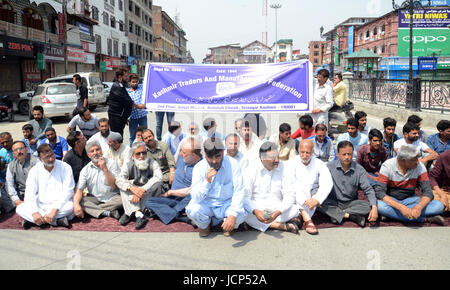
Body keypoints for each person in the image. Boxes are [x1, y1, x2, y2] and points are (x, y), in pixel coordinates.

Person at [185, 138, 248, 237]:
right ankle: (205, 225)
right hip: (207, 204)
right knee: (192, 210)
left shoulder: (233, 164)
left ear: (223, 152)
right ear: (205, 155)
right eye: (210, 157)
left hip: (227, 203)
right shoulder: (199, 168)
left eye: (218, 156)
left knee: (241, 214)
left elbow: (239, 191)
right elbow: (196, 198)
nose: (214, 161)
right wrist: (207, 181)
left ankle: (228, 224)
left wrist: (233, 215)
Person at [375, 144, 445, 225]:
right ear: (404, 160)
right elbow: (380, 193)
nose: (417, 162)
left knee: (439, 206)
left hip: (411, 200)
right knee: (379, 205)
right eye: (414, 159)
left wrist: (418, 207)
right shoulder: (387, 166)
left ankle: (392, 215)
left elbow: (428, 192)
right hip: (392, 201)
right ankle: (424, 219)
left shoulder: (420, 167)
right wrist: (401, 208)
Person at [244, 141, 300, 234]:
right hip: (257, 208)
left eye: (278, 156)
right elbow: (245, 196)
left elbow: (289, 194)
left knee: (295, 209)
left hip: (277, 207)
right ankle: (279, 225)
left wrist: (278, 212)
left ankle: (268, 224)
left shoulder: (284, 167)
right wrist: (256, 211)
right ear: (262, 158)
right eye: (273, 157)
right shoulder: (251, 169)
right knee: (243, 213)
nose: (277, 160)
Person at [319, 141, 378, 227]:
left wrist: (374, 207)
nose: (347, 157)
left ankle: (336, 215)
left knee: (368, 207)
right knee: (318, 203)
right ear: (338, 155)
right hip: (333, 202)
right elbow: (319, 184)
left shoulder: (359, 169)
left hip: (351, 203)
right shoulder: (329, 167)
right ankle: (351, 216)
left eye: (349, 154)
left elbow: (368, 189)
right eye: (344, 154)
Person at [16, 143, 75, 229]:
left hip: (60, 206)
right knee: (20, 208)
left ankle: (37, 221)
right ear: (40, 159)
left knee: (71, 207)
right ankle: (56, 221)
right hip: (40, 205)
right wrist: (34, 212)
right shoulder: (34, 170)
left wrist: (55, 210)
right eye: (47, 157)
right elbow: (29, 194)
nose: (51, 159)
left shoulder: (65, 167)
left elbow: (68, 191)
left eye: (52, 155)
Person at [145, 137, 203, 225]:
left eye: (184, 153)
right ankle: (181, 217)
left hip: (185, 200)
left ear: (194, 155)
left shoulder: (202, 167)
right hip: (172, 199)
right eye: (181, 151)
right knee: (148, 201)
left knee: (194, 194)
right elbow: (169, 162)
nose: (180, 153)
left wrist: (170, 192)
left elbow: (189, 191)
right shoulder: (181, 157)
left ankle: (169, 212)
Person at [284, 139, 333, 234]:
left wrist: (317, 199)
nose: (305, 155)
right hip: (294, 195)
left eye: (308, 152)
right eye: (302, 152)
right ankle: (307, 219)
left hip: (312, 196)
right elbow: (288, 183)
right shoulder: (292, 162)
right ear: (298, 150)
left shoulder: (319, 163)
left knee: (308, 191)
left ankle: (300, 217)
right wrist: (304, 200)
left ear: (313, 152)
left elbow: (327, 182)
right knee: (295, 189)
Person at [116, 141, 164, 230]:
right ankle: (139, 213)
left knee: (157, 183)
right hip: (135, 190)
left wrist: (142, 190)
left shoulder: (153, 163)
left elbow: (159, 177)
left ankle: (129, 213)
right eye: (138, 154)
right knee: (123, 186)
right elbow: (119, 179)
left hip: (147, 191)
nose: (142, 156)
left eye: (144, 153)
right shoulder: (128, 164)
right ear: (133, 155)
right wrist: (132, 188)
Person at [73, 141, 122, 221]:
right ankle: (108, 212)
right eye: (92, 151)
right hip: (95, 199)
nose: (95, 153)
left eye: (97, 150)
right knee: (78, 201)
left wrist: (105, 169)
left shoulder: (112, 164)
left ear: (102, 151)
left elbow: (114, 186)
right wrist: (76, 204)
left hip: (113, 198)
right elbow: (79, 189)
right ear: (88, 155)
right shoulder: (85, 170)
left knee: (123, 199)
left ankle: (94, 211)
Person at [108, 69, 145, 136]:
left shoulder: (121, 85)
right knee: (117, 136)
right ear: (120, 77)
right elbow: (127, 100)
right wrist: (138, 106)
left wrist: (125, 118)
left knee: (119, 135)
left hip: (120, 117)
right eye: (125, 76)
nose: (127, 78)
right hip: (116, 117)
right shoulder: (117, 86)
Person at [6, 141, 38, 208]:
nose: (19, 151)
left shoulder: (36, 161)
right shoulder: (11, 166)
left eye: (21, 148)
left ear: (26, 149)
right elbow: (9, 185)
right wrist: (16, 200)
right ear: (13, 153)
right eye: (15, 150)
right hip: (24, 197)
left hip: (39, 194)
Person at [127, 73, 148, 145]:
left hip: (142, 116)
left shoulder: (142, 88)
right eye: (133, 82)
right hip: (133, 118)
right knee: (132, 137)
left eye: (136, 81)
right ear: (129, 82)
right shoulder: (127, 93)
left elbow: (148, 82)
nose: (135, 83)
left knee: (145, 135)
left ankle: (146, 150)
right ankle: (131, 152)